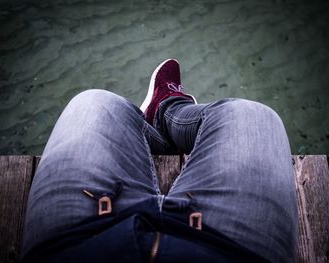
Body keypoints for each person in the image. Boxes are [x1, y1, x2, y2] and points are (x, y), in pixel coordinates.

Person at [21, 59, 298, 262]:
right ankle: (169, 110)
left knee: (96, 103)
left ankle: (159, 117)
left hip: (79, 243)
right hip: (226, 251)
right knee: (252, 116)